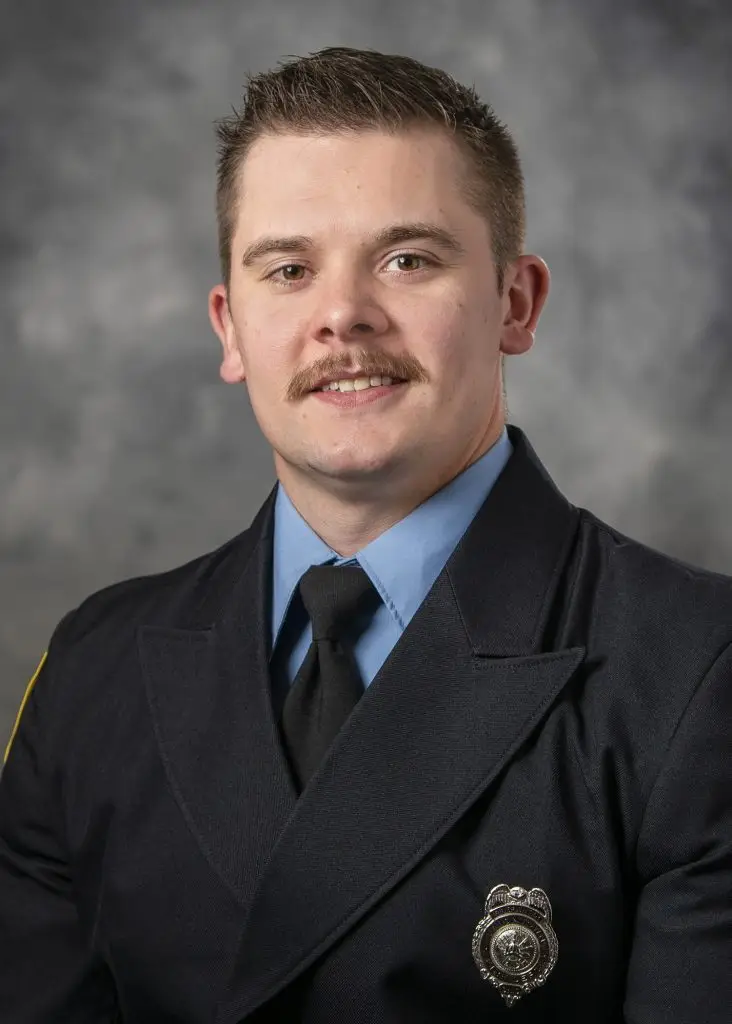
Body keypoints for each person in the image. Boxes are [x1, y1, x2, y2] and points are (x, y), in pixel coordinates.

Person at [0, 45, 730, 1024]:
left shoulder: (697, 671)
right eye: (289, 268)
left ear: (517, 304)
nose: (343, 315)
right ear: (229, 327)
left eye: (408, 259)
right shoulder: (94, 669)